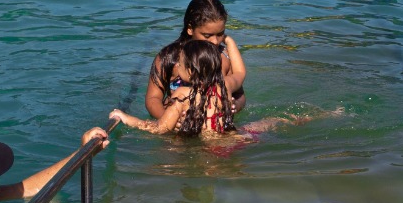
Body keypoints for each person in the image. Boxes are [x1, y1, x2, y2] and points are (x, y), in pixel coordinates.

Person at [113, 40, 331, 143]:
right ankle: (321, 115)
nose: (176, 69)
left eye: (179, 65)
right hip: (236, 139)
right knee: (274, 121)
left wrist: (125, 118)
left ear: (189, 71)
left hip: (208, 149)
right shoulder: (222, 87)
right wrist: (229, 42)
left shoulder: (181, 96)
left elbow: (158, 128)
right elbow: (240, 72)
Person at [145, 0, 248, 119]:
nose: (215, 41)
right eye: (207, 35)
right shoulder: (170, 58)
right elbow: (153, 98)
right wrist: (168, 119)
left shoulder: (224, 58)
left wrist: (236, 105)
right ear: (190, 29)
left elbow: (240, 95)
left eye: (220, 34)